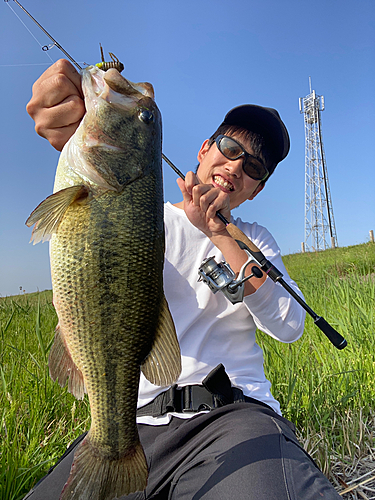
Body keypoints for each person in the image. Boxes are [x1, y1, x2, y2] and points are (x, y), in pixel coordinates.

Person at [24, 60, 341, 500]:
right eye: (230, 147)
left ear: (257, 190)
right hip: (132, 422)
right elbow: (87, 197)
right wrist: (73, 125)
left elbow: (289, 325)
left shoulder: (255, 241)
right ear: (205, 148)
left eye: (254, 167)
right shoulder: (142, 209)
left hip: (232, 415)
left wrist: (219, 235)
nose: (236, 166)